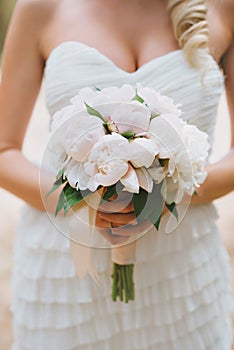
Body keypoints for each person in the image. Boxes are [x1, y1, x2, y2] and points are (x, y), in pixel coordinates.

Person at [0, 0, 234, 349]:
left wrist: (165, 193)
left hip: (179, 271)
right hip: (67, 279)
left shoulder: (223, 8)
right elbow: (4, 150)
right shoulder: (41, 7)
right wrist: (83, 202)